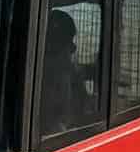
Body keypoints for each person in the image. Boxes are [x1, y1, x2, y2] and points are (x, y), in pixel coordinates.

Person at [39, 8, 97, 136]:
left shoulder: (67, 71)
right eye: (69, 42)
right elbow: (55, 118)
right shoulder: (50, 78)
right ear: (54, 46)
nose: (74, 48)